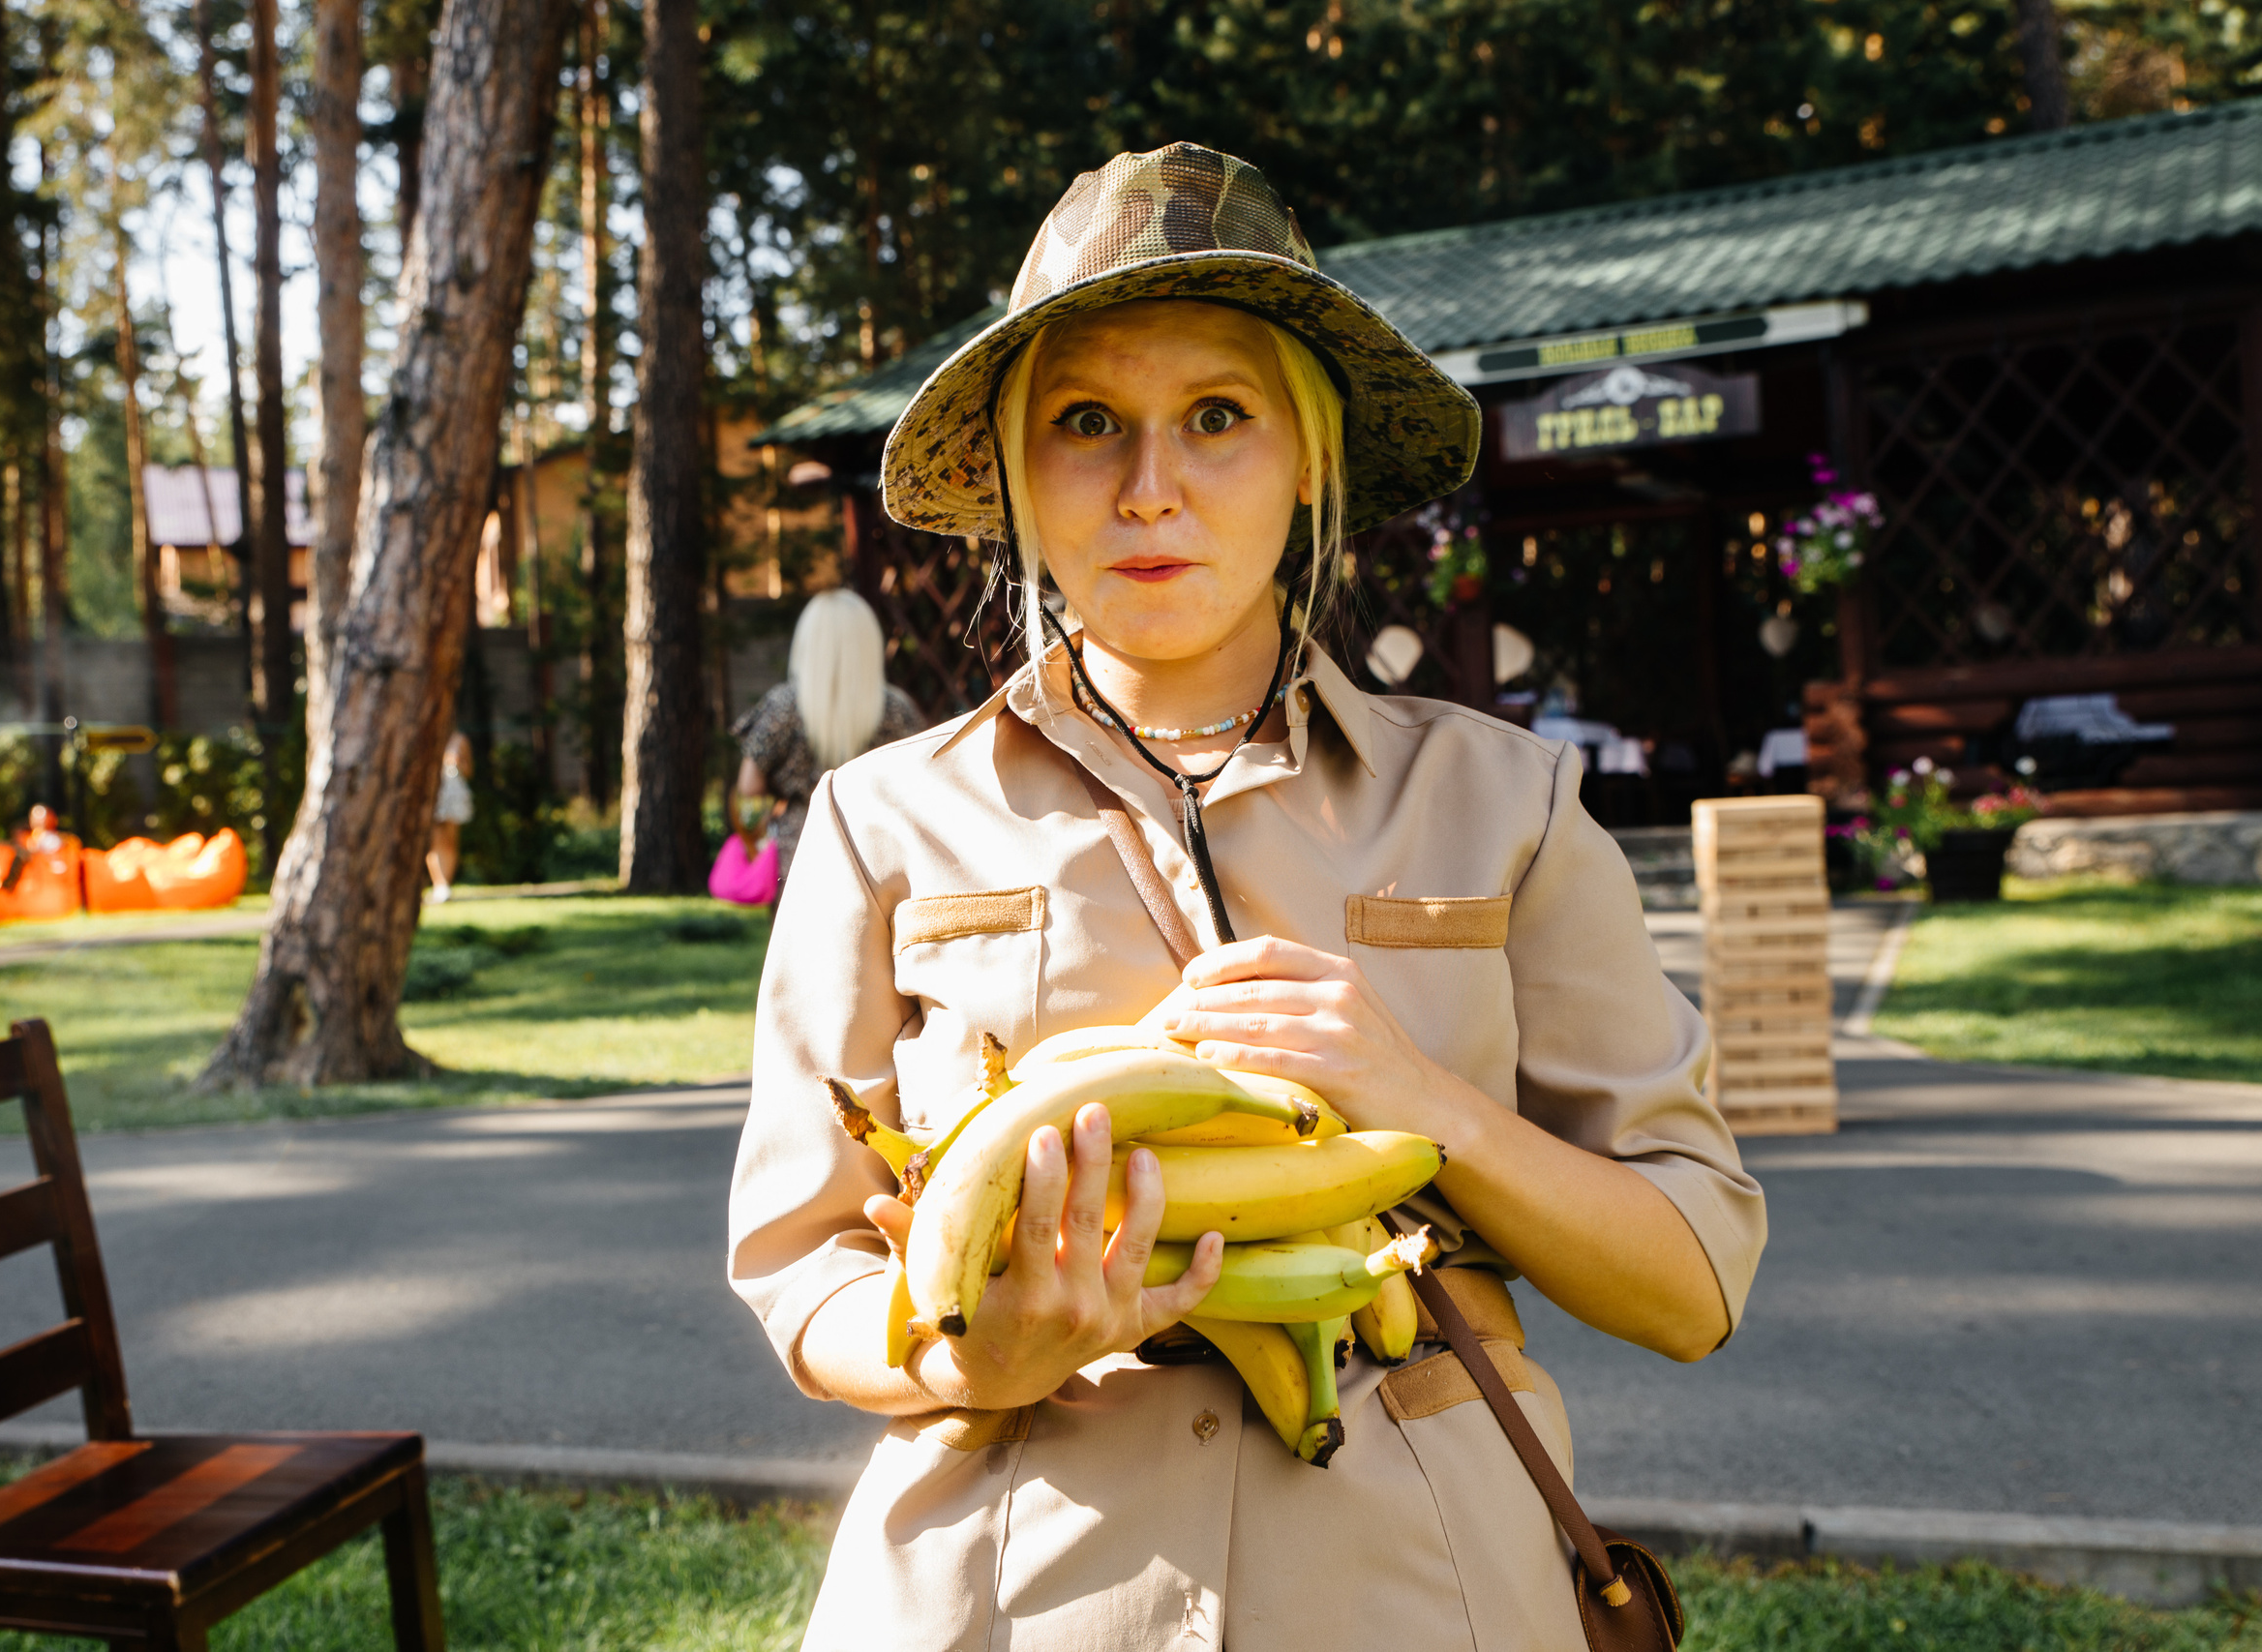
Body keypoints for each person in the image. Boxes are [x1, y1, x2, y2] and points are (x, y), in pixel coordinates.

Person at [729, 144, 1765, 1650]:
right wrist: (960, 1351)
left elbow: (1693, 1277)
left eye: (1218, 416)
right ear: (1018, 475)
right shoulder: (884, 819)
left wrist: (1430, 1105)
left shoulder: (1507, 803)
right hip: (1003, 1589)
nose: (1151, 486)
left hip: (1427, 1591)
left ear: (1309, 456)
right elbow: (797, 1262)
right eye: (1088, 422)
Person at [732, 588, 926, 886]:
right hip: (878, 851)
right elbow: (920, 781)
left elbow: (748, 786)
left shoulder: (785, 706)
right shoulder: (895, 709)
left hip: (799, 851)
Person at [427, 731, 473, 902]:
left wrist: (460, 764)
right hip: (434, 792)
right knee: (434, 841)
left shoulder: (460, 739)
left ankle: (446, 883)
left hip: (454, 793)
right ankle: (438, 883)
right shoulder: (427, 735)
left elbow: (469, 771)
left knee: (450, 841)